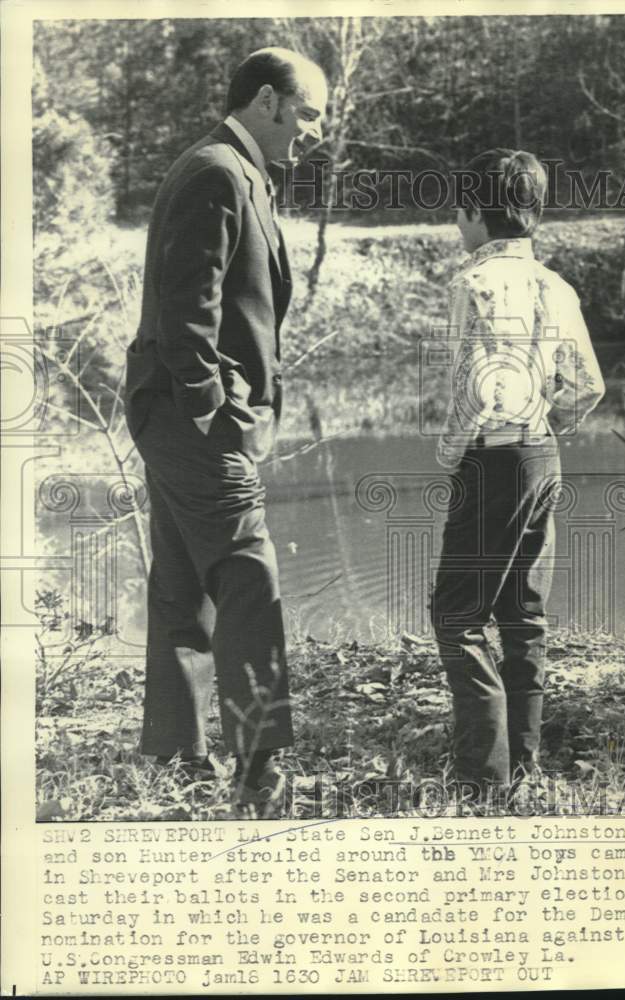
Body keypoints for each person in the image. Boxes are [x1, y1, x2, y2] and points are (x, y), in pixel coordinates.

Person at [124, 48, 328, 814]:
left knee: (183, 590)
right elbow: (188, 313)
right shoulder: (217, 171)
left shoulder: (231, 167)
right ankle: (260, 770)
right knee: (250, 577)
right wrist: (223, 418)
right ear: (269, 101)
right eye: (306, 115)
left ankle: (177, 758)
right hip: (192, 418)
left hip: (169, 412)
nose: (311, 133)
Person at [431, 148, 605, 808]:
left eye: (459, 209)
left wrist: (451, 453)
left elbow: (470, 389)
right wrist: (542, 419)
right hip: (540, 454)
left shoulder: (470, 285)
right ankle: (523, 767)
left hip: (493, 458)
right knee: (523, 617)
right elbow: (588, 385)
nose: (456, 222)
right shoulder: (559, 288)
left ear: (476, 213)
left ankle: (483, 779)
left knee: (457, 616)